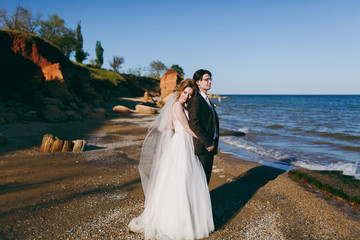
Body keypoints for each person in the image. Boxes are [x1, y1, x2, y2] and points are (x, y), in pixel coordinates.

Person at [128, 79, 214, 240]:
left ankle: (188, 217)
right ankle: (176, 223)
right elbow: (187, 128)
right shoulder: (177, 106)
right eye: (185, 93)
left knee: (186, 180)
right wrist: (205, 140)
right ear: (180, 91)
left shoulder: (183, 105)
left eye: (190, 94)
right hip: (181, 144)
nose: (187, 97)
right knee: (179, 180)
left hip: (185, 143)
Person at [188, 69, 219, 184]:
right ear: (197, 82)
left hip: (209, 145)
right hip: (203, 147)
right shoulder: (196, 100)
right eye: (206, 79)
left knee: (204, 180)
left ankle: (202, 202)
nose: (209, 82)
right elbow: (194, 124)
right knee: (202, 181)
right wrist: (208, 143)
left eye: (210, 79)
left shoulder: (206, 99)